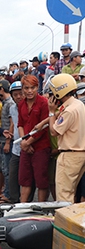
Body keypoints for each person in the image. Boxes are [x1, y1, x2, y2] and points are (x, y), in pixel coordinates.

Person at [42, 74, 85, 203]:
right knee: (72, 193)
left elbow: (54, 131)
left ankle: (63, 223)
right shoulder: (78, 105)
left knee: (64, 195)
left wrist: (50, 112)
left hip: (69, 154)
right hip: (80, 153)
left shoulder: (69, 111)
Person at [17, 75, 50, 203]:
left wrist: (27, 142)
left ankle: (41, 209)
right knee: (24, 179)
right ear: (23, 89)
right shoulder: (21, 104)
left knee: (41, 180)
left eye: (33, 87)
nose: (29, 91)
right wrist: (23, 141)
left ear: (37, 88)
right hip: (26, 145)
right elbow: (20, 124)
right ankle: (22, 207)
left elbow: (43, 127)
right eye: (26, 88)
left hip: (41, 147)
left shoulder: (43, 103)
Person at [0, 80, 14, 202]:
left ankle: (8, 194)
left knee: (7, 169)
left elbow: (12, 123)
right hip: (4, 139)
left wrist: (7, 141)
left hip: (8, 140)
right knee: (4, 168)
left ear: (2, 89)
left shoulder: (9, 104)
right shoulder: (5, 103)